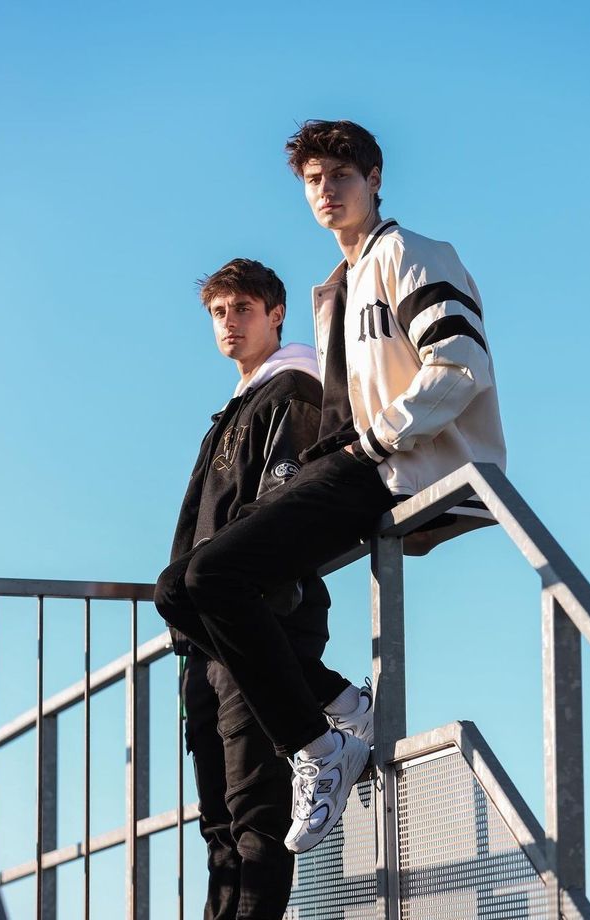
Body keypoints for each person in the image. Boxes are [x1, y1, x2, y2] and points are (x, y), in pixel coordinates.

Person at [156, 120, 505, 859]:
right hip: (354, 463)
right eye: (313, 179)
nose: (327, 189)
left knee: (215, 574)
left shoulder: (413, 254)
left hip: (392, 463)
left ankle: (320, 745)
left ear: (375, 179)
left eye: (341, 175)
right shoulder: (337, 286)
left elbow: (462, 363)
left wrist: (380, 438)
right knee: (180, 590)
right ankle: (346, 707)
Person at [156, 258, 372, 919]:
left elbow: (279, 516)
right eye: (219, 312)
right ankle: (334, 696)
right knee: (219, 825)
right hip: (208, 642)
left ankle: (331, 707)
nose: (230, 322)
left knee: (257, 821)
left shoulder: (294, 390)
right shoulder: (233, 409)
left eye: (242, 308)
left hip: (266, 620)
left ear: (276, 313)